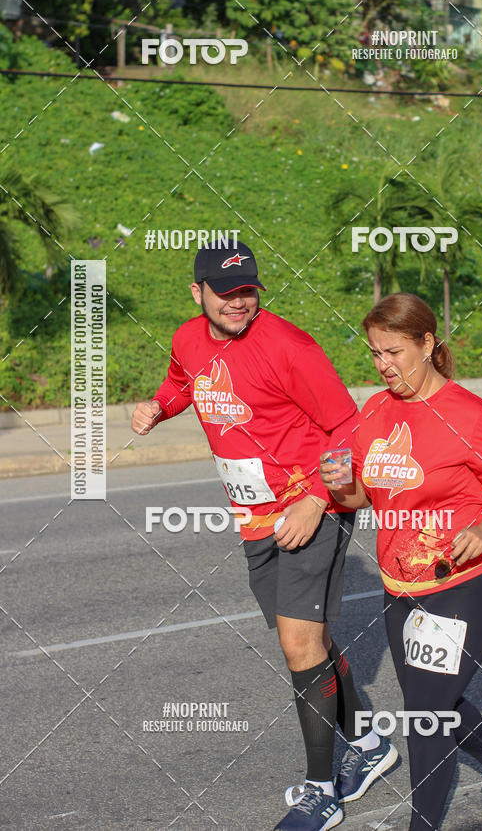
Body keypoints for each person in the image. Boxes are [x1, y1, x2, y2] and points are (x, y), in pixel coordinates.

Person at [131, 242, 398, 831]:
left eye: (247, 290)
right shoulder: (187, 339)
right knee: (307, 640)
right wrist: (158, 406)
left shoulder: (289, 347)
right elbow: (184, 382)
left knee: (299, 648)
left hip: (309, 506)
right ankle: (372, 745)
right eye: (225, 293)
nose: (238, 302)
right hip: (252, 515)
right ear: (196, 292)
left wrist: (315, 500)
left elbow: (346, 427)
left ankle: (321, 791)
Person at [319, 292, 482, 831]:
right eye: (374, 353)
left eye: (393, 351)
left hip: (464, 585)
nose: (383, 365)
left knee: (425, 717)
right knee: (436, 702)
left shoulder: (473, 414)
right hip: (401, 587)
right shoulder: (375, 411)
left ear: (427, 343)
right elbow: (362, 500)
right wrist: (339, 485)